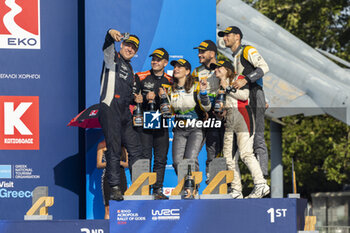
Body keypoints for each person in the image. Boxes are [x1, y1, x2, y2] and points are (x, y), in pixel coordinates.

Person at [211, 60, 269, 199]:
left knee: (246, 153)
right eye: (215, 68)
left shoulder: (239, 78)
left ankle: (261, 184)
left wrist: (228, 87)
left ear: (228, 69)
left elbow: (244, 96)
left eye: (219, 67)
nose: (216, 70)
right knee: (228, 157)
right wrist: (219, 112)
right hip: (230, 119)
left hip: (243, 116)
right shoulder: (217, 86)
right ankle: (236, 190)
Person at [218, 26, 270, 176]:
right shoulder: (234, 56)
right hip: (244, 99)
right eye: (223, 35)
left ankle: (262, 180)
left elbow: (264, 68)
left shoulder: (247, 50)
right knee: (242, 141)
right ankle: (240, 183)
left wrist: (246, 80)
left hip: (254, 96)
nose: (225, 38)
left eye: (228, 35)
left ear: (237, 37)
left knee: (258, 138)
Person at [98, 28, 142, 201]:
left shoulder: (131, 70)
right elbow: (107, 45)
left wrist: (135, 98)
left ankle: (139, 185)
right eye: (128, 45)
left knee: (136, 148)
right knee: (114, 150)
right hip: (110, 108)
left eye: (134, 48)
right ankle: (115, 187)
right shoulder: (112, 58)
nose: (130, 49)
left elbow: (128, 95)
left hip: (124, 112)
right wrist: (109, 33)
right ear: (121, 44)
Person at [159, 58, 211, 174]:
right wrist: (163, 101)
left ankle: (192, 189)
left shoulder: (196, 86)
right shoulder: (170, 89)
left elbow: (207, 107)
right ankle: (186, 187)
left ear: (187, 71)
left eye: (179, 67)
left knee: (190, 160)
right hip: (179, 129)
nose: (176, 69)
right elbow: (170, 112)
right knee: (177, 162)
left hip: (196, 128)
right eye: (174, 67)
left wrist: (203, 93)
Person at [133, 48, 172, 200]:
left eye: (158, 59)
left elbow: (175, 102)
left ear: (165, 63)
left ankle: (158, 190)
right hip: (145, 122)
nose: (155, 61)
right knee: (145, 158)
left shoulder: (170, 80)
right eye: (153, 59)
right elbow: (132, 96)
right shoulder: (141, 76)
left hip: (161, 123)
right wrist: (139, 97)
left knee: (161, 158)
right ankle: (144, 190)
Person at [192, 40, 223, 183]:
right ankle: (192, 183)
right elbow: (191, 93)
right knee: (192, 152)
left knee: (214, 148)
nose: (199, 54)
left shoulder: (223, 68)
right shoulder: (196, 71)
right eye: (199, 52)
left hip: (217, 115)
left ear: (212, 53)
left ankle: (213, 180)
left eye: (202, 52)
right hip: (200, 115)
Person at [96, 140, 128, 219]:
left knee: (122, 207)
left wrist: (119, 162)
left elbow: (127, 163)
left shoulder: (123, 145)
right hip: (108, 177)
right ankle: (108, 229)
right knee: (108, 208)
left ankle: (121, 229)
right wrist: (111, 162)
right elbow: (99, 164)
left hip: (121, 177)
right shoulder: (102, 145)